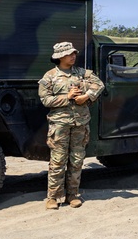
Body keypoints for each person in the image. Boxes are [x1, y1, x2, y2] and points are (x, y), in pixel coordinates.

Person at [38, 41, 103, 210]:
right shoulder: (50, 76)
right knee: (58, 160)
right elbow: (45, 100)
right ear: (60, 57)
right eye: (69, 54)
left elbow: (99, 85)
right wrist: (67, 97)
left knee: (76, 160)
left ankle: (72, 195)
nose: (73, 56)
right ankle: (53, 197)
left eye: (74, 53)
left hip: (80, 123)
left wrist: (86, 96)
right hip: (59, 125)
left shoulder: (82, 73)